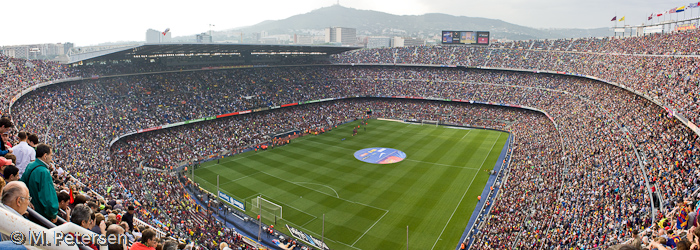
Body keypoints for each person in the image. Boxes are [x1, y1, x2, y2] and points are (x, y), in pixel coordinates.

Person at [19, 143, 58, 222]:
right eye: (51, 156)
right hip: (40, 215)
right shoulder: (44, 172)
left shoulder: (30, 165)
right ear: (45, 156)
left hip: (31, 211)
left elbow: (21, 184)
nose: (51, 159)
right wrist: (53, 214)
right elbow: (48, 197)